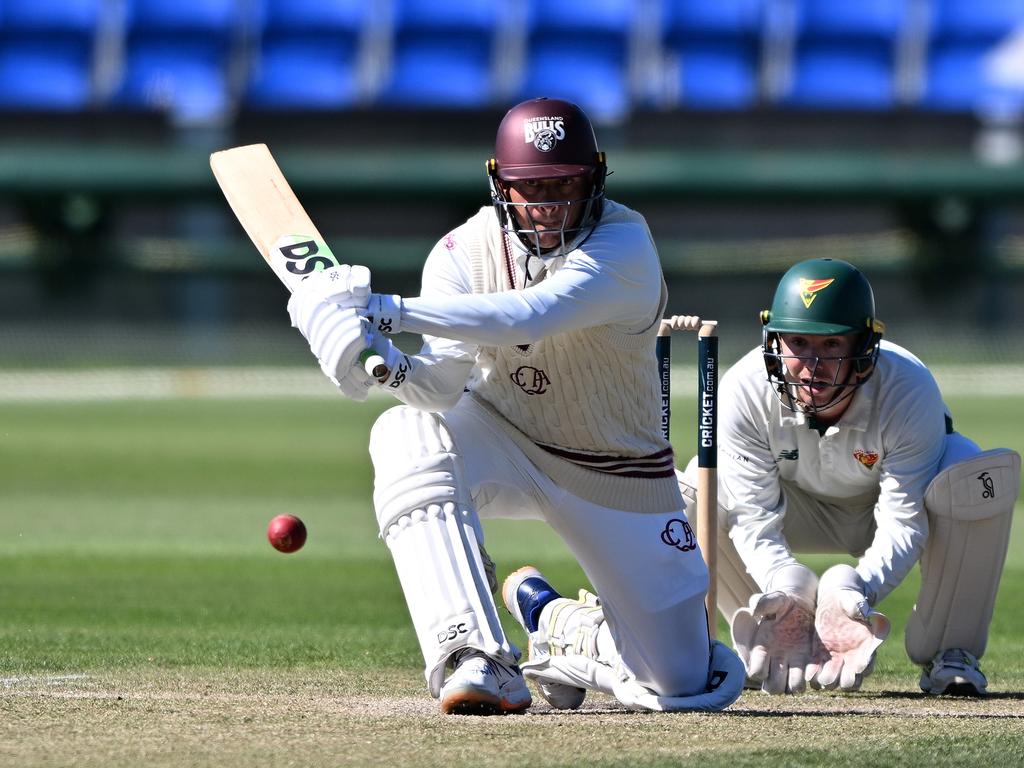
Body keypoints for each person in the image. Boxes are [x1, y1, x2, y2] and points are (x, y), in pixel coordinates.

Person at [284, 97, 745, 715]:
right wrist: (381, 365)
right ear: (500, 184)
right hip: (502, 437)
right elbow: (442, 385)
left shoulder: (626, 242)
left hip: (619, 472)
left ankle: (564, 628)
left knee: (680, 680)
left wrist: (383, 310)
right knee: (405, 431)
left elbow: (529, 313)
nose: (551, 204)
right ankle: (474, 655)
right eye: (534, 188)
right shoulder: (459, 253)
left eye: (565, 185)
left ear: (595, 179)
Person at [688, 257, 1020, 696]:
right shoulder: (744, 389)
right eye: (799, 343)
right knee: (696, 485)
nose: (812, 365)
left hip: (884, 509)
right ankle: (765, 634)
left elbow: (904, 519)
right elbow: (753, 515)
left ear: (863, 346)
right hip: (798, 509)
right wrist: (785, 586)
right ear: (774, 342)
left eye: (831, 346)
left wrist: (855, 592)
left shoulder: (907, 387)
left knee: (973, 476)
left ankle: (951, 652)